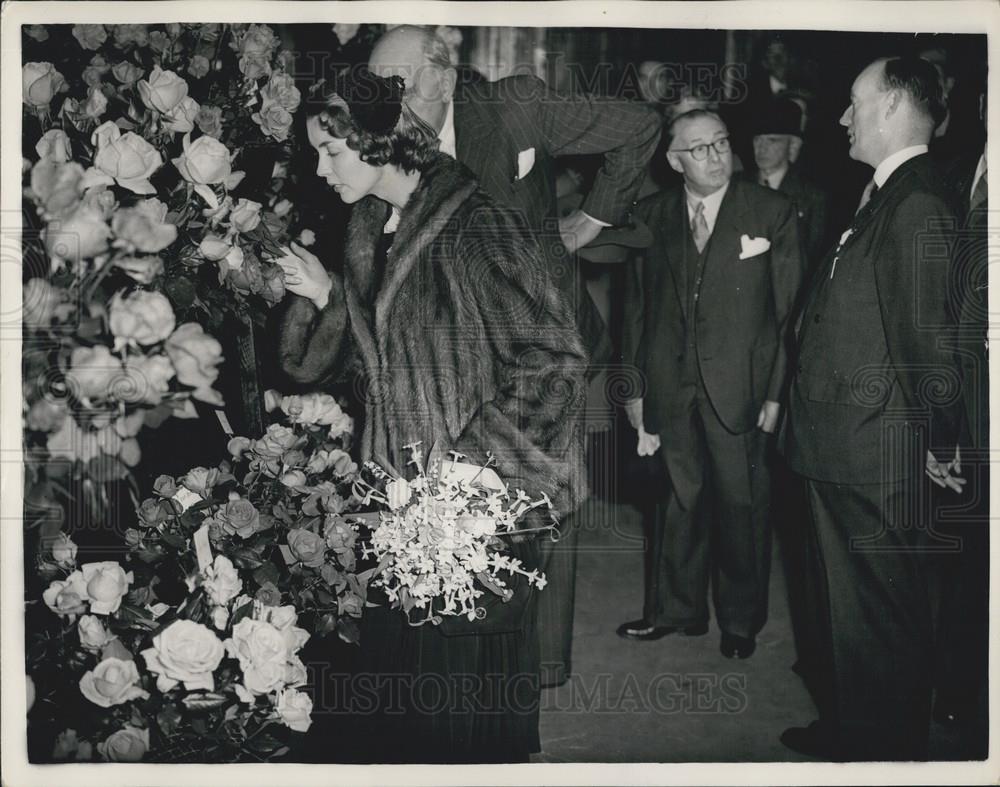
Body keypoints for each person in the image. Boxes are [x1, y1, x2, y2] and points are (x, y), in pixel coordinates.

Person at [276, 66, 588, 762]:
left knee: (460, 705)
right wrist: (329, 297)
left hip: (470, 512)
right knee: (402, 698)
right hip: (396, 503)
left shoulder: (478, 224)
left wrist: (468, 473)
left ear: (379, 140)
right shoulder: (369, 228)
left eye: (331, 150)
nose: (322, 170)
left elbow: (554, 361)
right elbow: (372, 366)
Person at [367, 24, 662, 687]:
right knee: (456, 494)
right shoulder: (381, 138)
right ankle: (463, 657)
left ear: (442, 77)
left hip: (540, 345)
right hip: (452, 352)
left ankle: (541, 668)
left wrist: (591, 219)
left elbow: (638, 125)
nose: (382, 103)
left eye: (398, 86)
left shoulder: (515, 106)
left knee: (546, 501)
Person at [780, 56, 965, 761]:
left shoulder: (917, 200)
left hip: (875, 456)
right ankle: (847, 729)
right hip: (840, 445)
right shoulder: (886, 193)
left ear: (890, 107)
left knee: (880, 625)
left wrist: (941, 444)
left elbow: (931, 345)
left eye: (855, 102)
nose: (842, 116)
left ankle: (882, 756)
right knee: (844, 617)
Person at [619, 109, 804, 660]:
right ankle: (677, 610)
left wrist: (776, 394)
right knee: (678, 501)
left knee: (741, 506)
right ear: (675, 161)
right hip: (670, 385)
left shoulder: (771, 212)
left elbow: (789, 311)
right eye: (699, 148)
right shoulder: (649, 216)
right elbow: (635, 310)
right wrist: (633, 390)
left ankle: (741, 621)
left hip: (741, 389)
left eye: (721, 142)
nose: (716, 154)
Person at [746, 97, 830, 267]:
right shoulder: (738, 185)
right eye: (757, 140)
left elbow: (813, 257)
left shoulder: (811, 196)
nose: (761, 148)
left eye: (772, 140)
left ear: (792, 145)